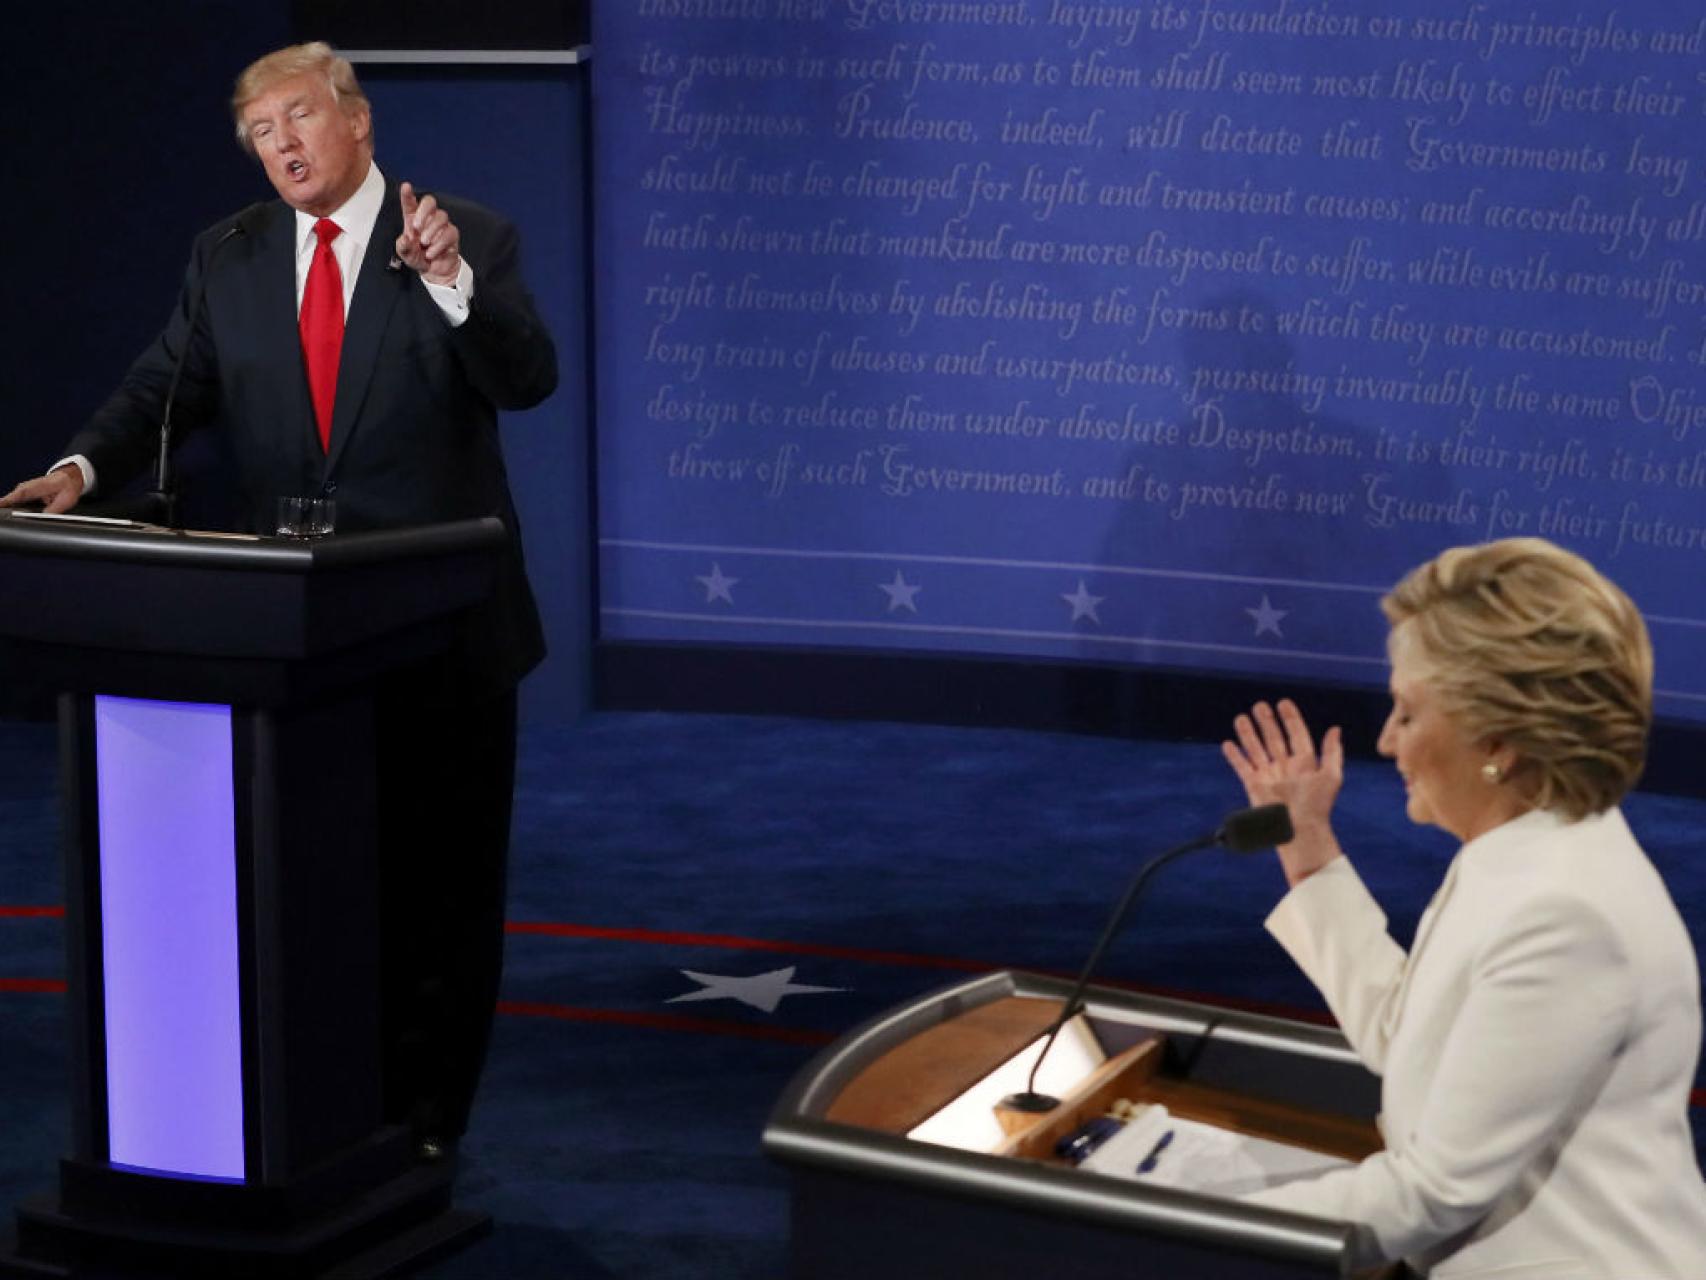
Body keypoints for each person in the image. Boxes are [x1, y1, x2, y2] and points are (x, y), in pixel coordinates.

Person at [0, 42, 558, 1161]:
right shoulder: (232, 254)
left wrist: (450, 285)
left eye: (298, 116)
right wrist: (80, 469)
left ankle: (426, 1128)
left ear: (356, 118)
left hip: (440, 629)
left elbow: (526, 377)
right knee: (317, 891)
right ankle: (330, 1120)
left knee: (440, 895)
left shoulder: (463, 235)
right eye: (261, 132)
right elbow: (164, 389)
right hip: (295, 640)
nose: (283, 144)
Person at [1221, 537, 1706, 1278]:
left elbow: (1432, 1192)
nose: (1387, 740)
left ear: (1499, 743)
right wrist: (1305, 840)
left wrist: (1182, 1214)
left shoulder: (1564, 912)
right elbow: (1406, 1036)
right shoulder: (1523, 856)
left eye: (1408, 714)